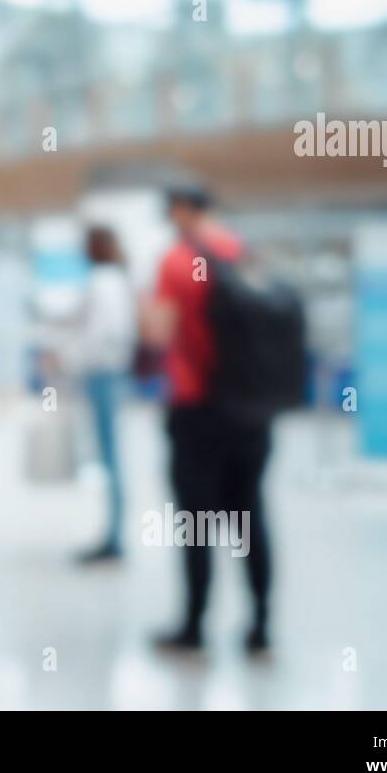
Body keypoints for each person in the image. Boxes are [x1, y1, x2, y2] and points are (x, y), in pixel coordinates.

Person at [143, 184, 273, 655]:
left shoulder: (177, 260)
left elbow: (158, 334)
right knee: (251, 515)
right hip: (252, 409)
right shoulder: (245, 253)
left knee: (197, 522)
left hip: (197, 408)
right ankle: (260, 627)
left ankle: (194, 626)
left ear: (180, 211)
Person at [66, 226, 137, 562]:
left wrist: (70, 358)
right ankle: (113, 532)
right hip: (110, 372)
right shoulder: (116, 279)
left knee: (110, 457)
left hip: (102, 373)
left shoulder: (102, 281)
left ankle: (114, 536)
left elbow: (101, 333)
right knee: (110, 456)